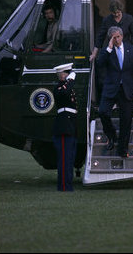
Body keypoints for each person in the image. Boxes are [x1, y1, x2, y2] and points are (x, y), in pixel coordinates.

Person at [98, 26, 133, 157]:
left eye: (118, 37)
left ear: (122, 36)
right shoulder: (107, 51)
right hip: (111, 88)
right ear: (110, 38)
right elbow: (100, 63)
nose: (116, 39)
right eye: (114, 37)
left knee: (126, 120)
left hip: (127, 89)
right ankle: (112, 136)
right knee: (102, 112)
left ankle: (122, 149)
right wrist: (109, 48)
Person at [52, 63, 78, 191]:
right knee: (64, 158)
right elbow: (65, 93)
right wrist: (71, 80)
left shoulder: (66, 87)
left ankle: (68, 184)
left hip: (70, 125)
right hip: (63, 125)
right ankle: (63, 186)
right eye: (65, 74)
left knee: (69, 158)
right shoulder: (58, 88)